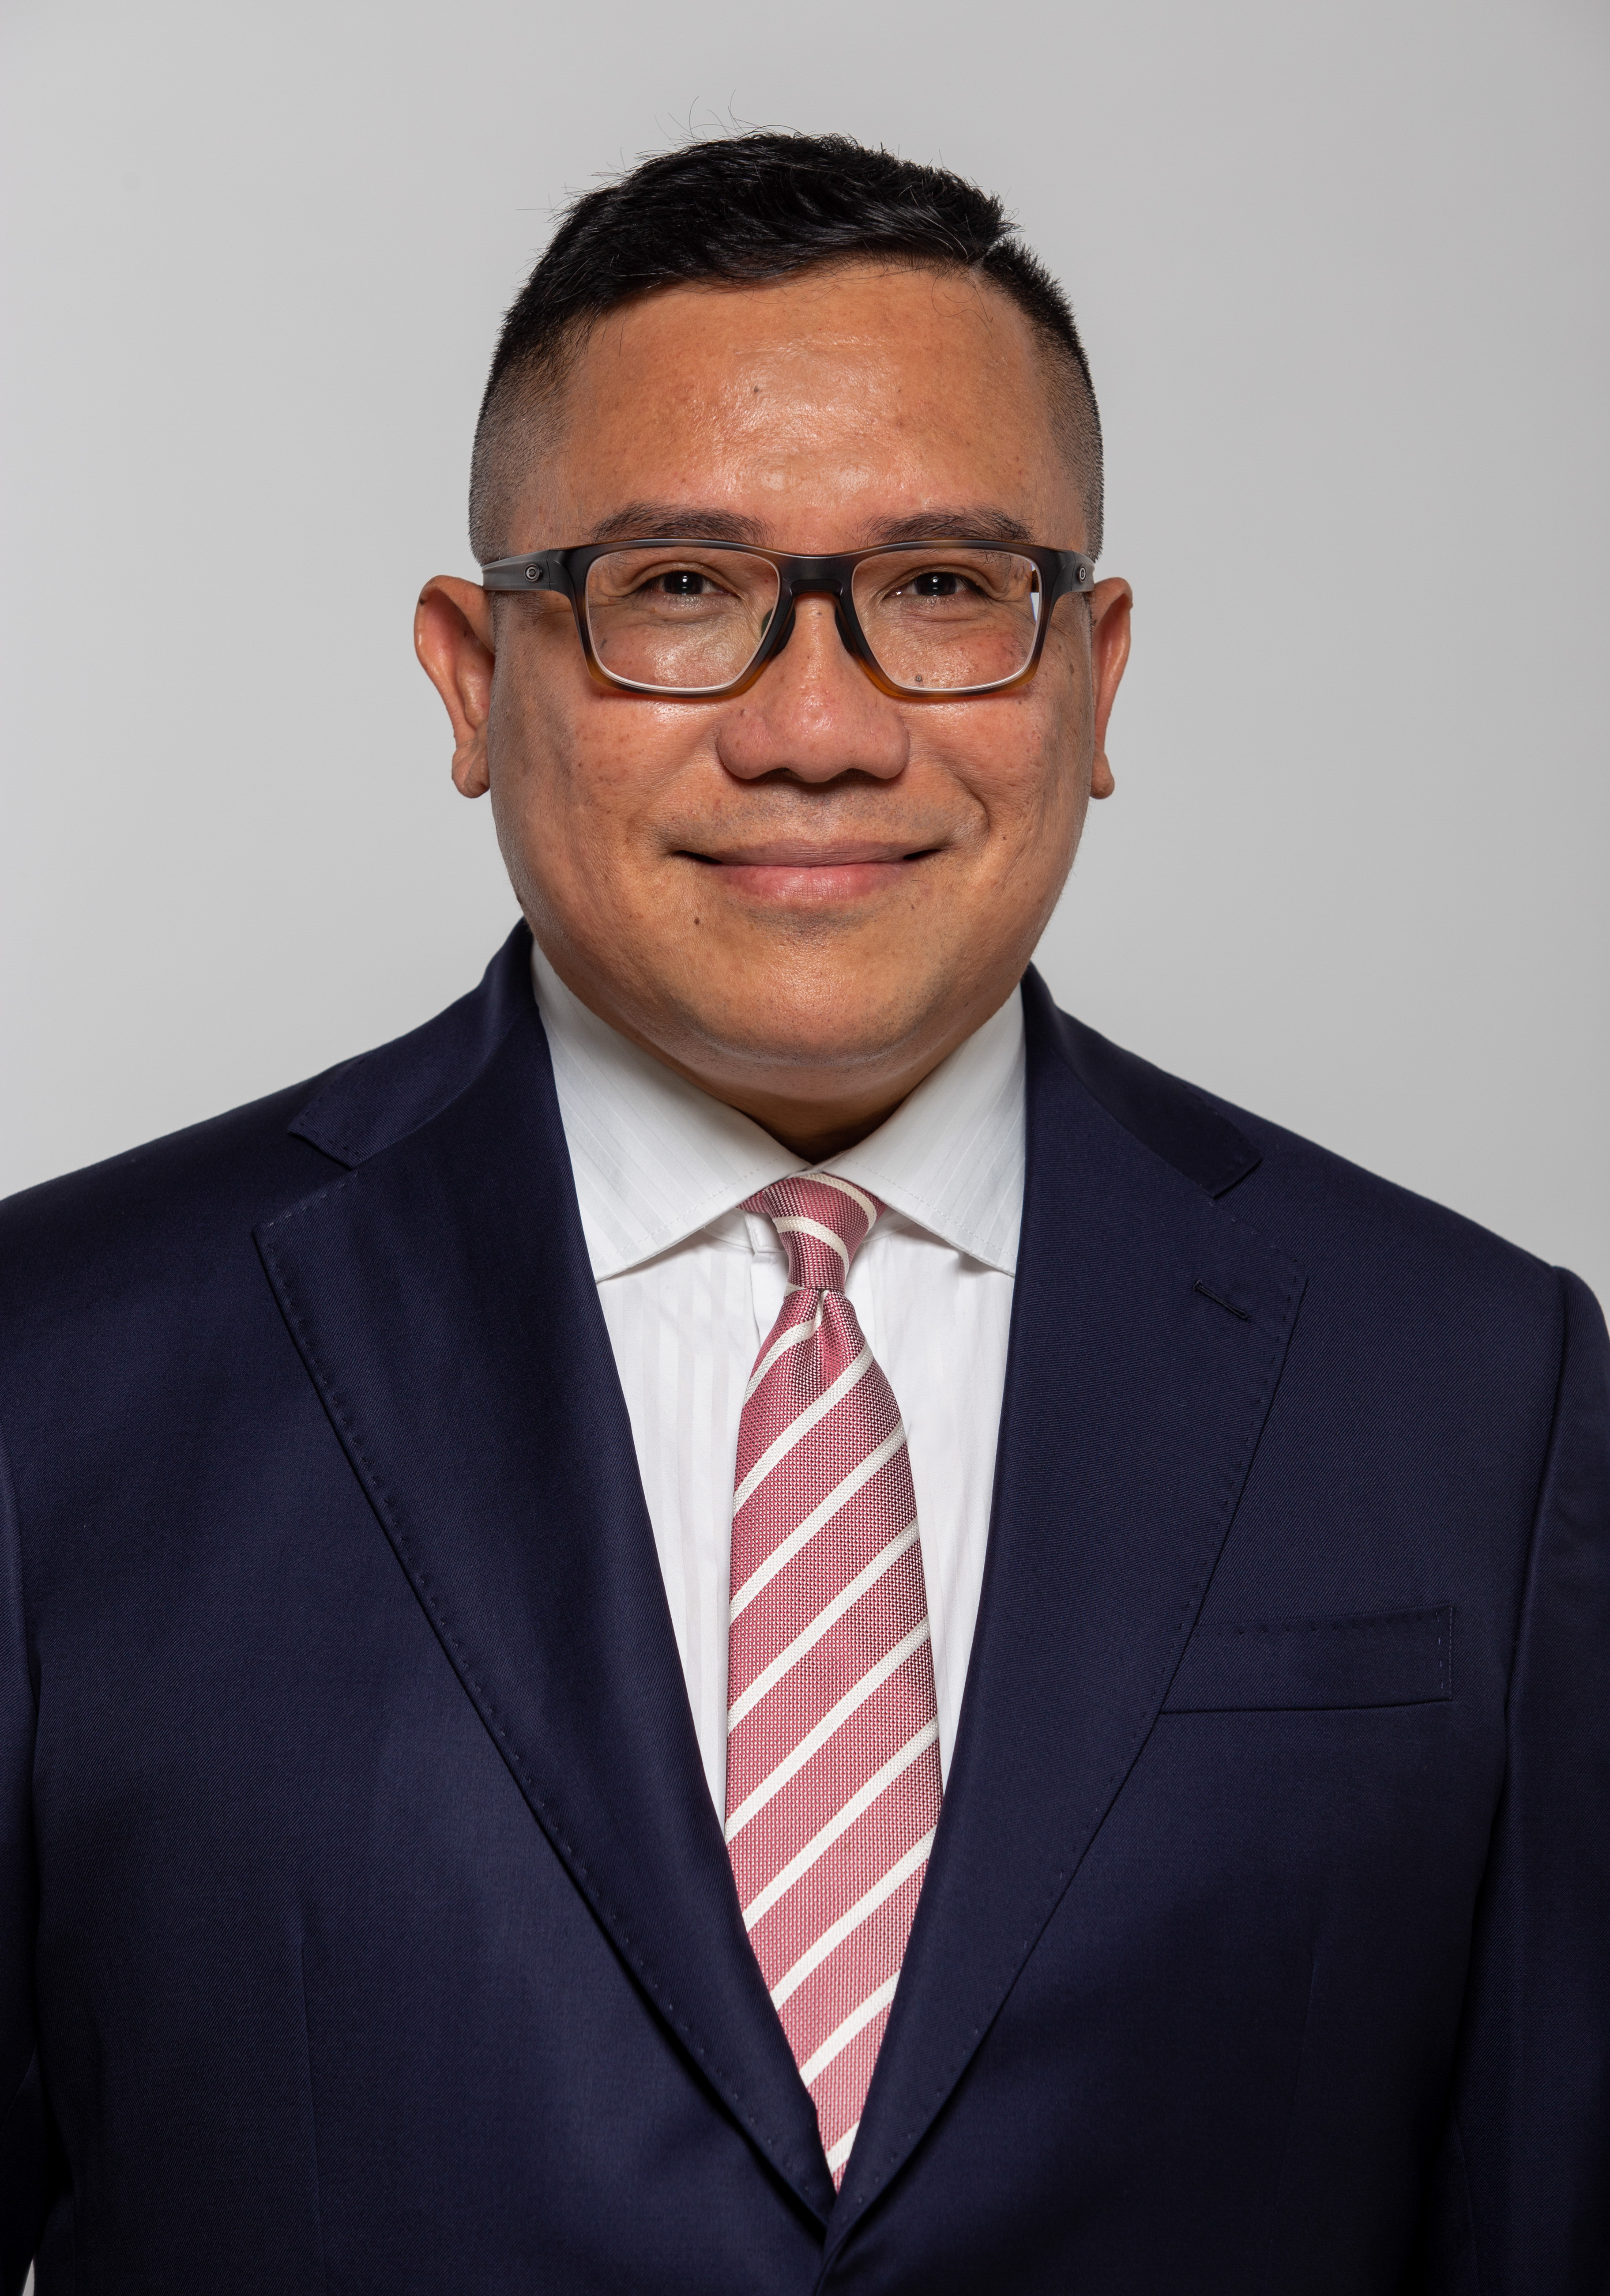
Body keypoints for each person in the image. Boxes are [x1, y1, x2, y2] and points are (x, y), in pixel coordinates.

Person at [0, 133, 1604, 2296]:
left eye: (945, 589)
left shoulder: (1475, 1392)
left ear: (1093, 676)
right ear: (475, 683)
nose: (822, 728)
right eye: (680, 591)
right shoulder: (55, 1378)